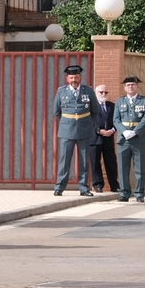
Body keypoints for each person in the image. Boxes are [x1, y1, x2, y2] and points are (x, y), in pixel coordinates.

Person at [52, 64, 96, 196]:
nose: (74, 80)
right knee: (64, 160)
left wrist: (88, 124)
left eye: (76, 77)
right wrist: (67, 122)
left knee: (83, 160)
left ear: (80, 77)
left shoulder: (88, 91)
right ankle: (59, 187)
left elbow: (95, 111)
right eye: (71, 77)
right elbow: (56, 111)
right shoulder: (61, 91)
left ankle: (84, 188)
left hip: (84, 130)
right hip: (66, 130)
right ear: (67, 79)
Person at [113, 76, 145, 203]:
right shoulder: (119, 101)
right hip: (123, 139)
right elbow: (116, 119)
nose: (130, 87)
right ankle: (124, 193)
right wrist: (124, 131)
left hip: (138, 138)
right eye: (128, 85)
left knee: (139, 168)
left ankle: (139, 193)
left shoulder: (144, 101)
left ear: (137, 86)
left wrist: (135, 131)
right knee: (123, 168)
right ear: (124, 87)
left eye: (133, 85)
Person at [90, 84, 119, 194]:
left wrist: (113, 129)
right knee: (95, 162)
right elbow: (89, 122)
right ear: (95, 93)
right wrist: (99, 130)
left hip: (108, 138)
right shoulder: (91, 106)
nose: (103, 94)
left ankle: (114, 185)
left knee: (111, 162)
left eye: (105, 92)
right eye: (101, 92)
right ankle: (98, 185)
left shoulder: (112, 106)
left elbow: (117, 120)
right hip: (95, 138)